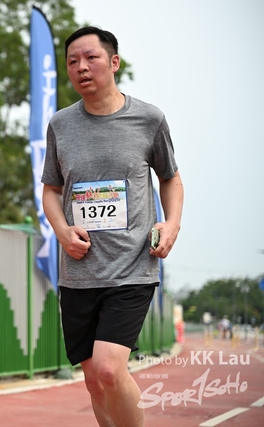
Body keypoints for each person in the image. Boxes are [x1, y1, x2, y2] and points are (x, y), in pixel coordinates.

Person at [41, 26, 184, 427]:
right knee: (93, 379)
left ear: (114, 62)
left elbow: (170, 178)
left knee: (108, 368)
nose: (81, 67)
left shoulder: (149, 119)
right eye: (73, 61)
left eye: (91, 58)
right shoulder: (61, 125)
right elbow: (51, 190)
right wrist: (62, 231)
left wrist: (172, 224)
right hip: (79, 271)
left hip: (132, 265)